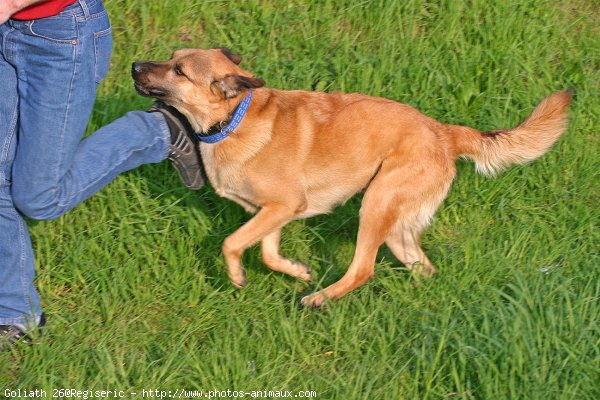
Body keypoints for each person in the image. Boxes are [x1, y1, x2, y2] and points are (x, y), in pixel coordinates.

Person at [0, 0, 204, 349]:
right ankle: (15, 313)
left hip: (59, 34)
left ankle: (157, 131)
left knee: (39, 197)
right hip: (7, 27)